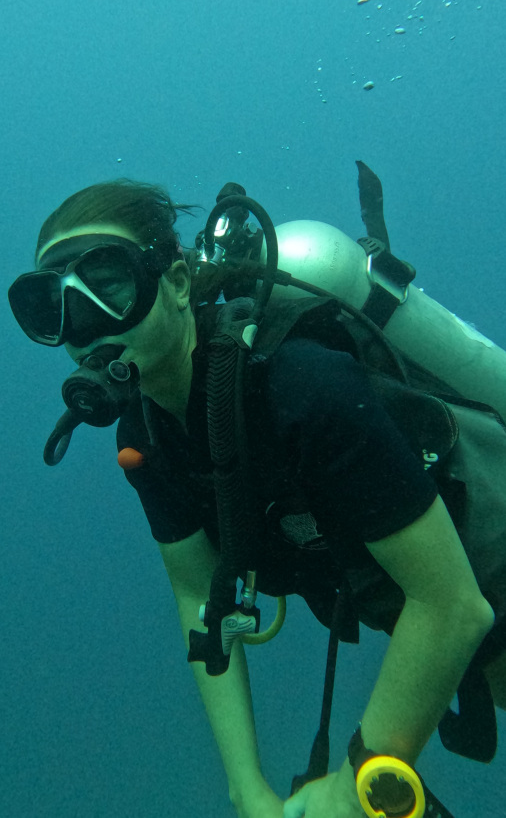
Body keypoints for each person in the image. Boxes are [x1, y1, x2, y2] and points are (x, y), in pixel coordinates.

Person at [8, 178, 506, 818]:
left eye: (109, 286)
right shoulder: (146, 437)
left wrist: (359, 779)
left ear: (177, 283)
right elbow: (197, 594)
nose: (82, 328)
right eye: (51, 306)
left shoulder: (301, 385)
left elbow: (452, 605)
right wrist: (247, 789)